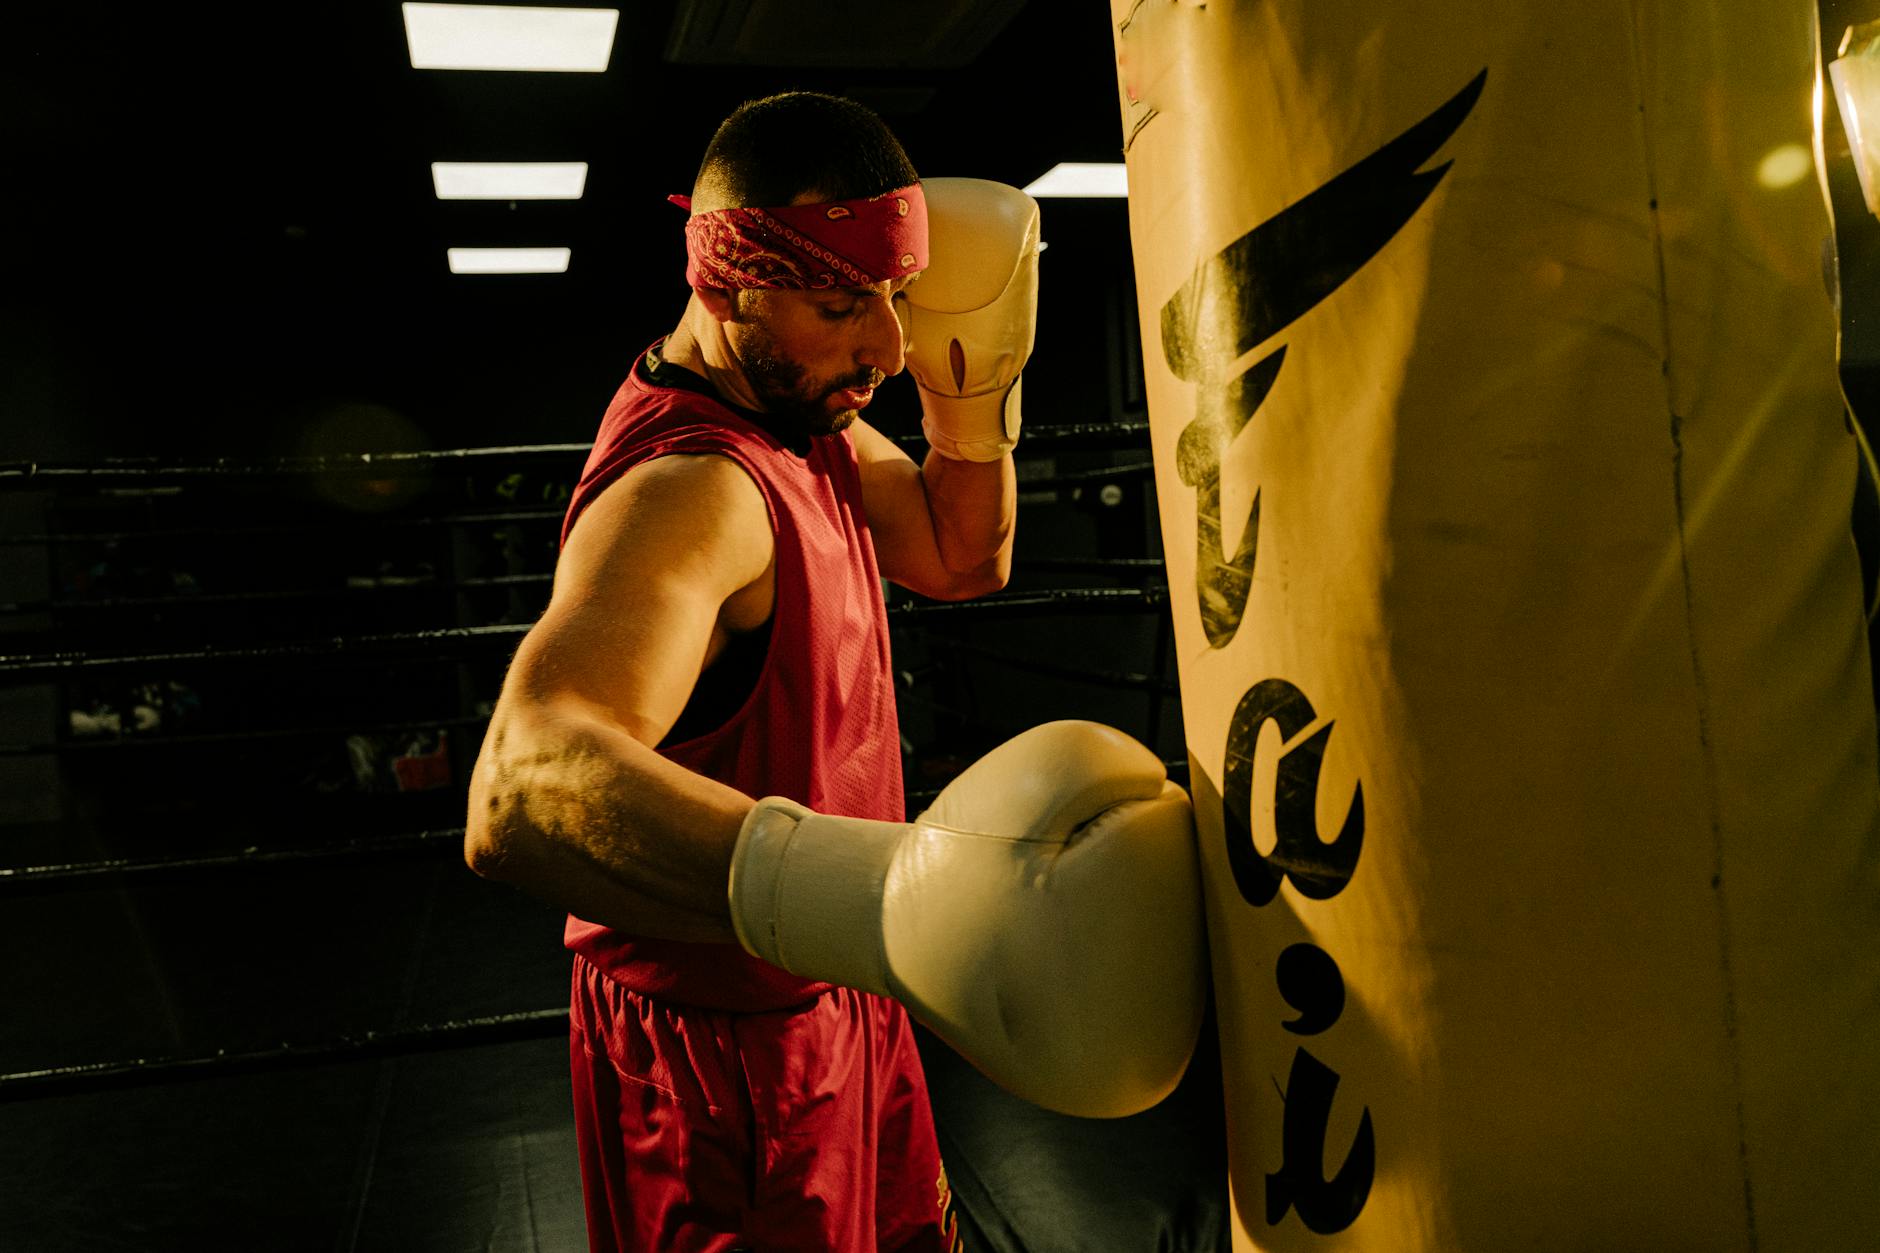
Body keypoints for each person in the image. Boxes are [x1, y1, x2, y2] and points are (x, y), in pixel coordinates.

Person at [464, 91, 1014, 1251]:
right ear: (725, 284)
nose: (888, 349)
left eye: (897, 300)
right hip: (728, 1053)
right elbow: (519, 788)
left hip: (844, 988)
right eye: (837, 304)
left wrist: (973, 392)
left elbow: (962, 558)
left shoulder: (804, 417)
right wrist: (884, 896)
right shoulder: (693, 492)